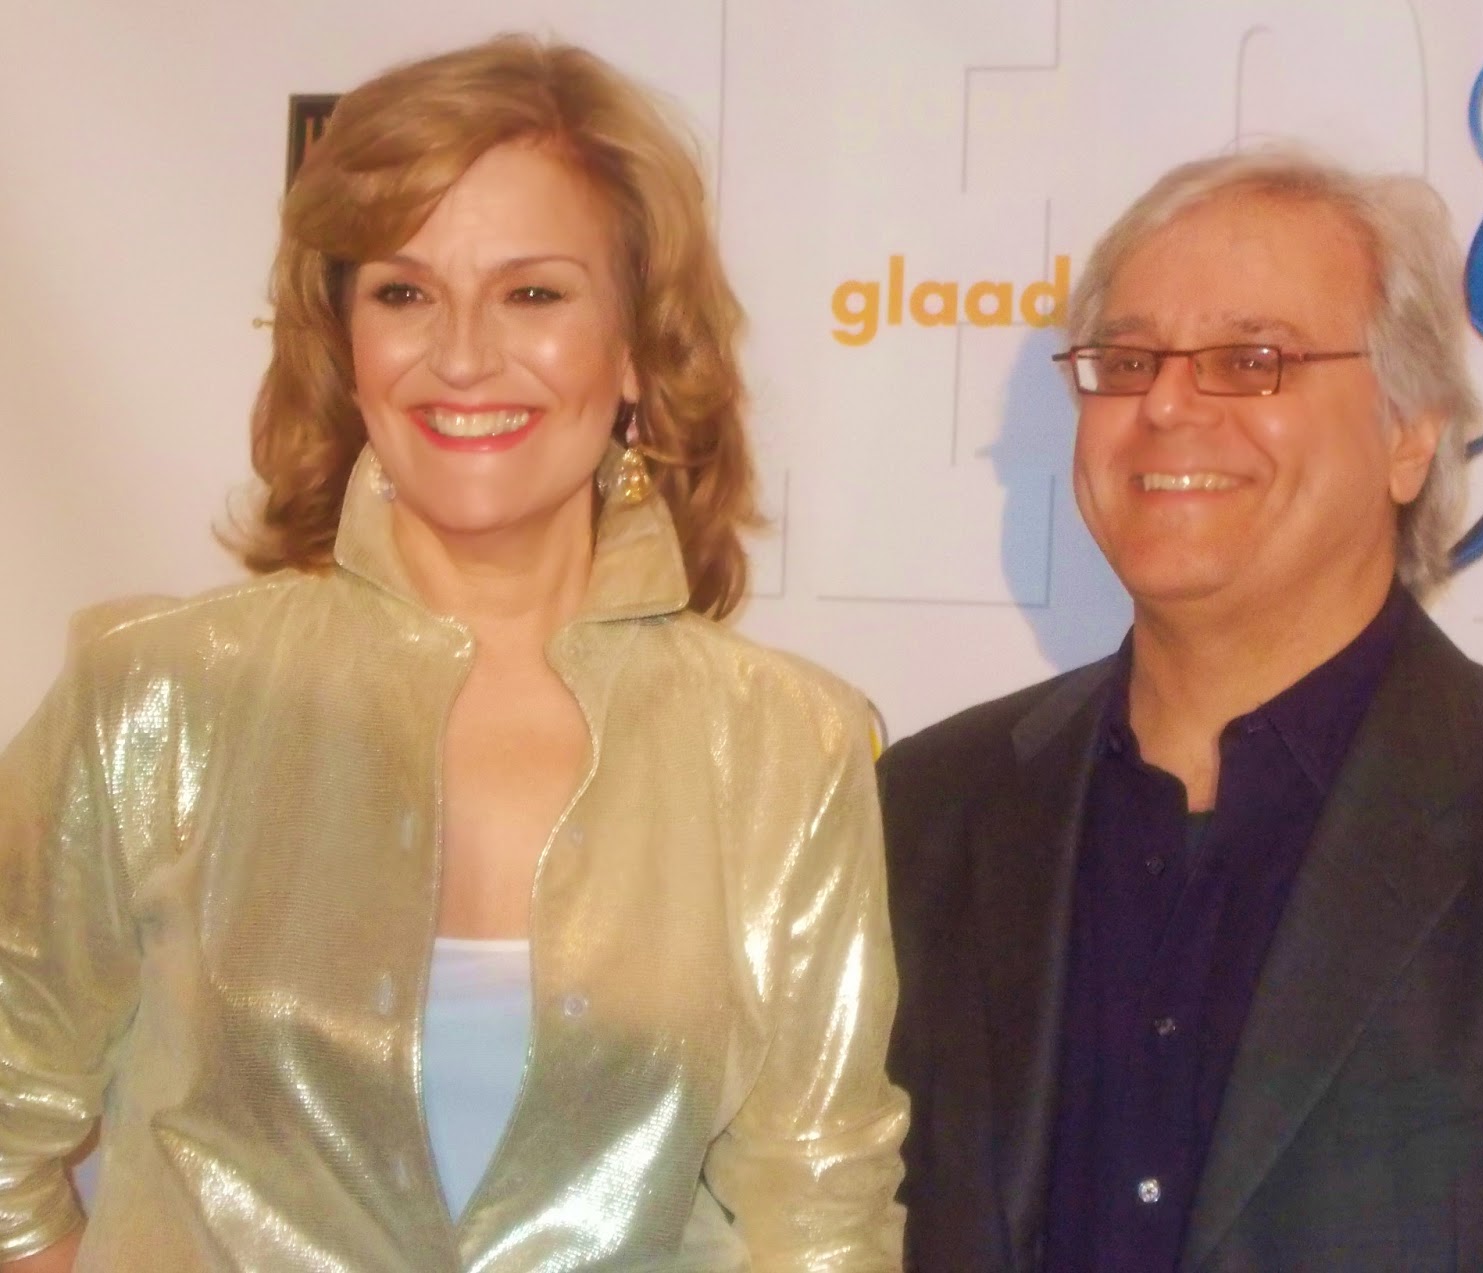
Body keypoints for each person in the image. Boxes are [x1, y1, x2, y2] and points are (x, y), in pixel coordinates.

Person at [0, 36, 905, 1271]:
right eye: (403, 293)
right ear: (343, 340)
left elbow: (821, 1214)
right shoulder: (162, 696)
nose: (464, 354)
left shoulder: (783, 747)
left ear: (635, 345)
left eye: (533, 294)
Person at [880, 148, 1483, 1271]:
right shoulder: (920, 810)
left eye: (1250, 360)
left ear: (1409, 433)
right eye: (1128, 361)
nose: (1165, 404)